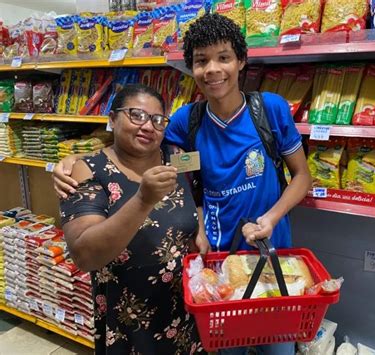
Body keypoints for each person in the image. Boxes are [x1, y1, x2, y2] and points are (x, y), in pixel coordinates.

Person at [54, 14, 311, 355]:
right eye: (201, 61)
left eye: (224, 57)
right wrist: (76, 161)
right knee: (227, 349)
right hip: (219, 265)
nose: (213, 69)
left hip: (272, 260)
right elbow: (135, 147)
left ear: (241, 61)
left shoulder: (270, 110)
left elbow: (302, 177)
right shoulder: (184, 121)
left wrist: (272, 217)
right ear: (191, 69)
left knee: (278, 349)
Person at [59, 84, 203, 354]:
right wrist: (142, 200)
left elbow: (198, 192)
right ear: (112, 119)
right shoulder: (87, 170)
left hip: (183, 312)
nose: (148, 126)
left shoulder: (176, 157)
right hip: (128, 322)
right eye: (136, 115)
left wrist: (200, 227)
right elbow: (84, 254)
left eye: (158, 120)